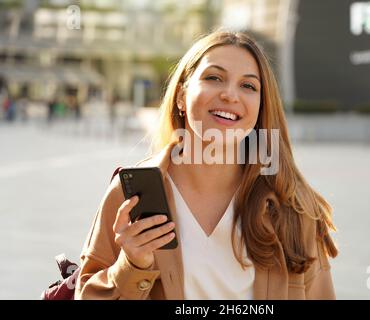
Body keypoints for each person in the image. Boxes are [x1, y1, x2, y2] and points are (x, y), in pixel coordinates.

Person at [75, 30, 338, 300]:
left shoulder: (293, 205)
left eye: (248, 86)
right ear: (181, 97)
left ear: (260, 107)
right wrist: (131, 266)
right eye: (214, 78)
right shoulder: (130, 195)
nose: (230, 95)